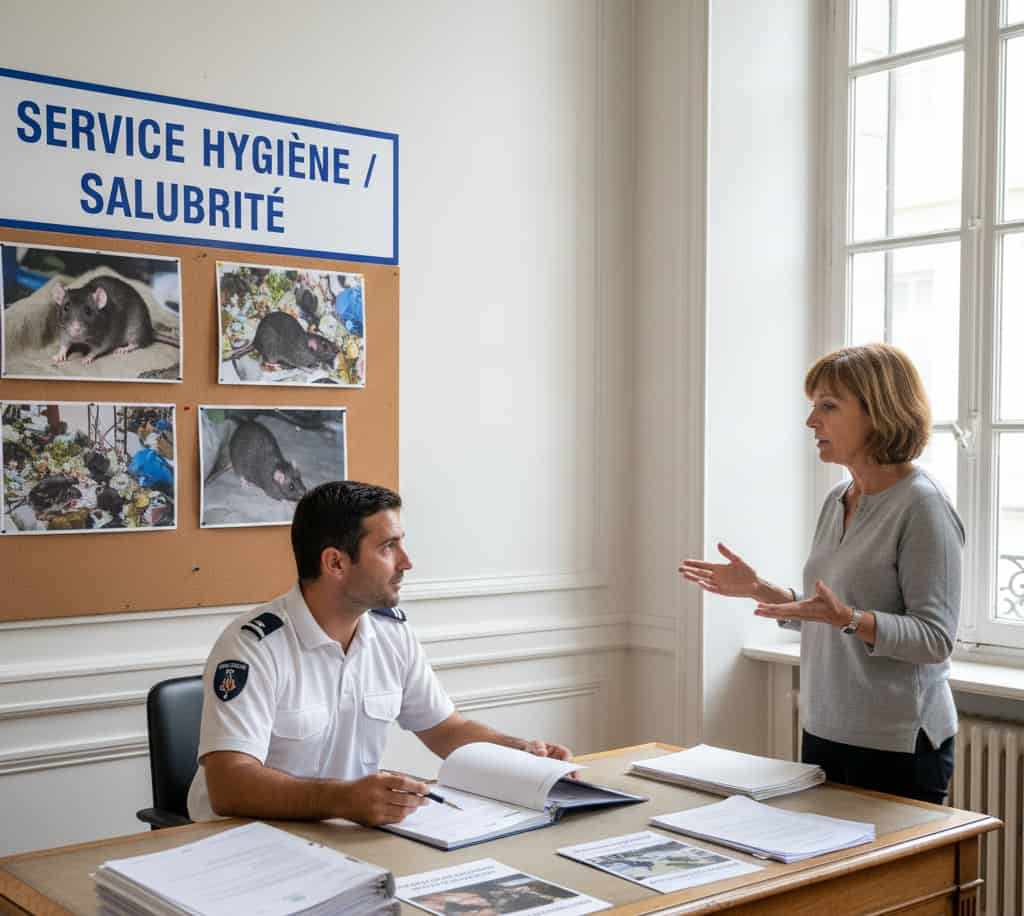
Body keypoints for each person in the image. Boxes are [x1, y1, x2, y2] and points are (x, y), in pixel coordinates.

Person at [187, 480, 572, 824]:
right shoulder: (253, 647)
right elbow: (229, 784)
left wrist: (519, 752)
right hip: (241, 841)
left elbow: (446, 729)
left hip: (343, 832)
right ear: (335, 562)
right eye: (389, 547)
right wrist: (342, 800)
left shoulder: (391, 633)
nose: (407, 562)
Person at [680, 343, 964, 803]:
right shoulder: (838, 499)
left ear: (879, 412)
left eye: (828, 406)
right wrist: (760, 589)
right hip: (824, 729)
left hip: (898, 743)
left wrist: (849, 619)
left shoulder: (923, 505)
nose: (812, 421)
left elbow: (934, 639)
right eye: (814, 406)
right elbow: (828, 611)